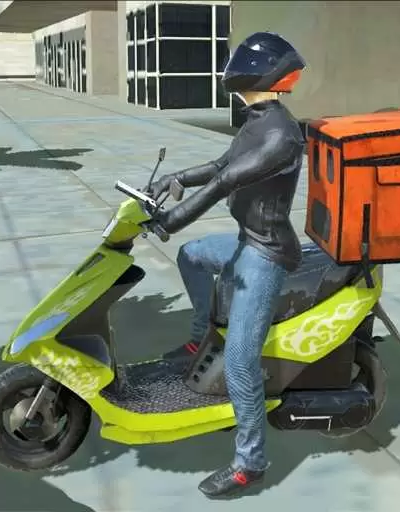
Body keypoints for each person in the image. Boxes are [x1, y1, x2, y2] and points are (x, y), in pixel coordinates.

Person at [149, 31, 306, 498]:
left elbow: (226, 182)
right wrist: (174, 177)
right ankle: (200, 338)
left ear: (255, 75)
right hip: (244, 240)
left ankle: (249, 463)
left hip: (265, 253)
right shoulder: (257, 121)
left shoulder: (281, 134)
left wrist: (172, 219)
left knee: (239, 361)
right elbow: (221, 165)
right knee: (192, 256)